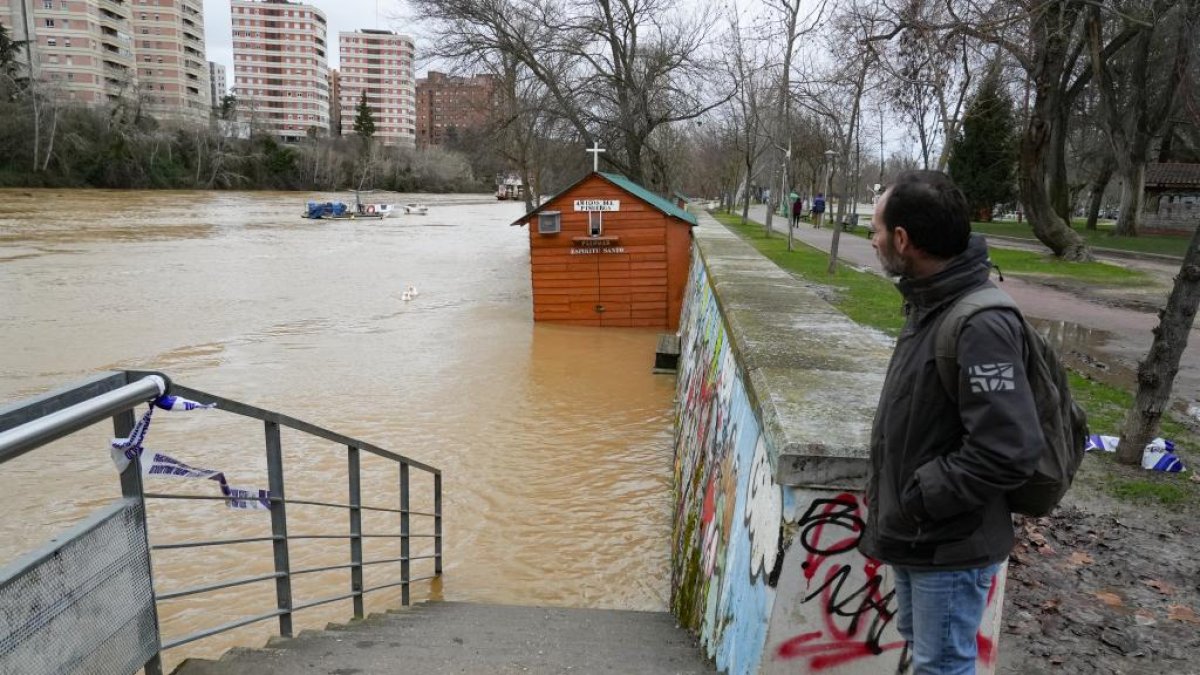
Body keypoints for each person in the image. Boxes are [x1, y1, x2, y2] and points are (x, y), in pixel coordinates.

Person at [859, 170, 1041, 675]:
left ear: (902, 239)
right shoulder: (930, 304)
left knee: (943, 664)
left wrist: (924, 495)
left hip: (948, 540)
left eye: (875, 229)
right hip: (921, 533)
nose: (871, 240)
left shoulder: (979, 323)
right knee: (927, 648)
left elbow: (1008, 447)